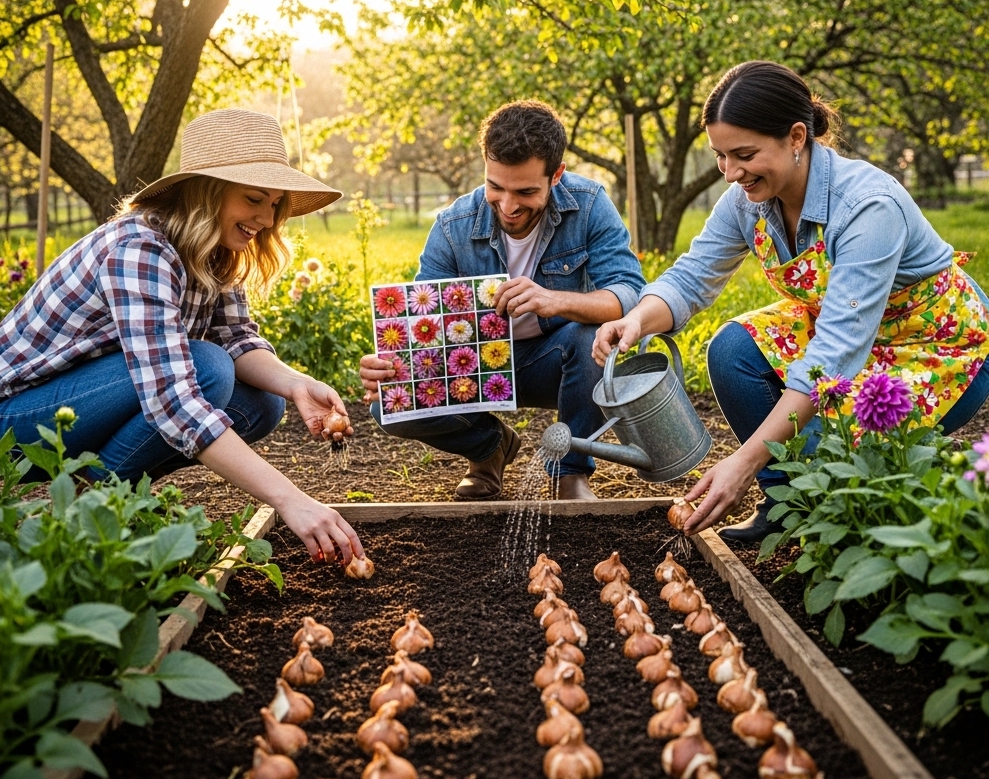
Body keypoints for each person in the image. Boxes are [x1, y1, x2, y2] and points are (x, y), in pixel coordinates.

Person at [593, 61, 989, 543]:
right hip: (844, 331)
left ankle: (846, 517)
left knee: (845, 464)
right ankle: (786, 504)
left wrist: (744, 461)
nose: (730, 172)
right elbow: (693, 277)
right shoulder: (748, 199)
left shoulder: (868, 207)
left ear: (797, 137)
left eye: (744, 154)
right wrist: (636, 320)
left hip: (936, 348)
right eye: (720, 156)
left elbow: (834, 358)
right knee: (733, 351)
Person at [0, 109, 364, 565]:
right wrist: (291, 499)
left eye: (274, 203)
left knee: (262, 403)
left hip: (82, 406)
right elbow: (173, 399)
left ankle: (89, 503)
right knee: (207, 369)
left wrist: (296, 385)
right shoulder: (140, 248)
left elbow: (237, 340)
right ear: (206, 192)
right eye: (254, 198)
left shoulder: (218, 252)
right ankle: (81, 517)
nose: (266, 218)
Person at [359, 99, 646, 501]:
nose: (509, 206)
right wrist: (391, 366)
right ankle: (488, 447)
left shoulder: (590, 204)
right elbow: (424, 325)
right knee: (387, 407)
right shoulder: (452, 226)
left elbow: (628, 292)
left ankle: (570, 472)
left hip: (560, 363)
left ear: (556, 175)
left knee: (592, 335)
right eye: (496, 187)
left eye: (526, 191)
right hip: (472, 369)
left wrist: (553, 300)